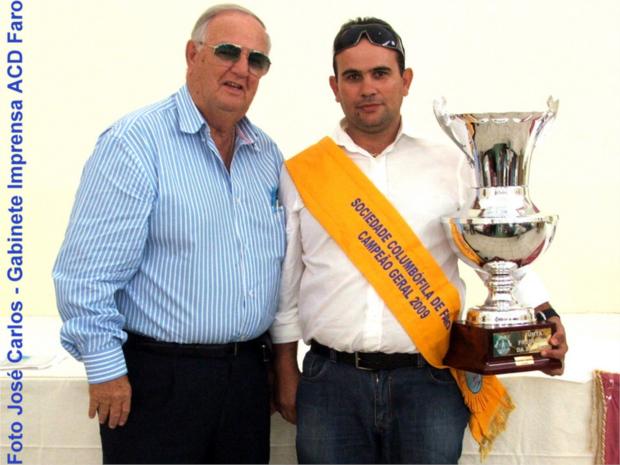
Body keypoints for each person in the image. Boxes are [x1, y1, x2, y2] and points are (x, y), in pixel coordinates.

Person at [270, 17, 568, 464]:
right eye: (353, 76)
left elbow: (496, 249)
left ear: (405, 81)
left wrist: (544, 315)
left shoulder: (452, 165)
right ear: (335, 87)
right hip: (330, 382)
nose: (367, 88)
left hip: (428, 382)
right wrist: (284, 369)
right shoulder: (302, 173)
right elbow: (287, 285)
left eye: (380, 73)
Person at [53, 4, 285, 464]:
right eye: (228, 52)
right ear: (192, 54)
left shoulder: (267, 156)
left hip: (246, 381)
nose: (242, 69)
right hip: (158, 382)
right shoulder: (134, 144)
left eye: (256, 60)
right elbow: (84, 276)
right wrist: (105, 369)